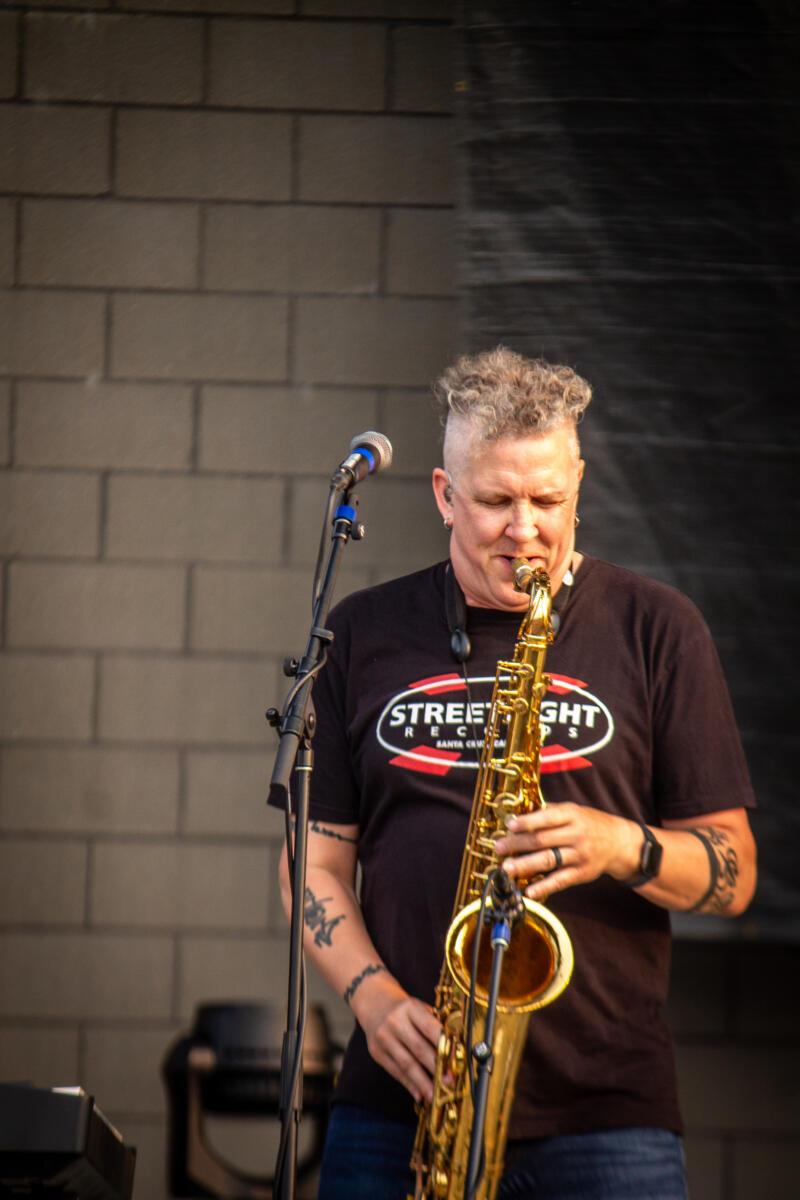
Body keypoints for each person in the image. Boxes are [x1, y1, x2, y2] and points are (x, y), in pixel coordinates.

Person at [276, 348, 757, 1200]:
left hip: (608, 1114)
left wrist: (623, 846)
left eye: (549, 500)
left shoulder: (659, 628)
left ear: (580, 482)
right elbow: (311, 867)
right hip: (402, 1105)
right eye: (497, 501)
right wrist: (374, 998)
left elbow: (733, 872)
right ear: (443, 494)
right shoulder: (362, 631)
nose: (526, 529)